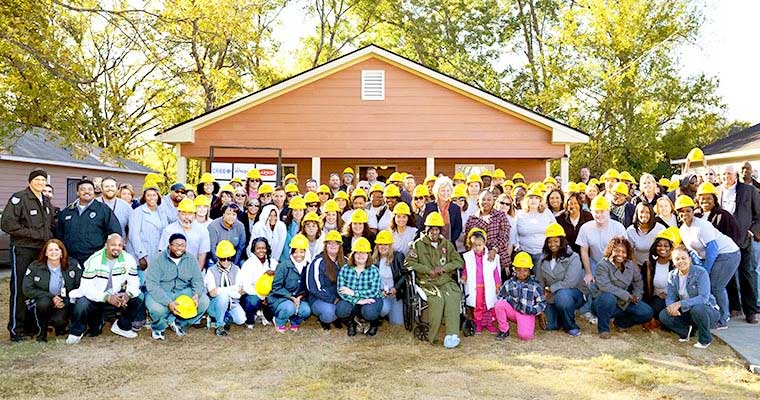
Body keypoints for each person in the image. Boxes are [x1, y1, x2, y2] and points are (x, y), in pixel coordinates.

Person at [2, 168, 56, 341]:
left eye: (43, 180)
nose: (40, 183)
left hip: (41, 251)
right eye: (37, 179)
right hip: (23, 249)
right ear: (30, 181)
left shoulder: (46, 201)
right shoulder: (19, 198)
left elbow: (49, 226)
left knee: (38, 288)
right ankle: (16, 329)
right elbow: (7, 224)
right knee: (20, 289)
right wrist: (33, 234)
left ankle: (33, 326)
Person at [675, 195, 740, 329]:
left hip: (727, 254)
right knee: (706, 285)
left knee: (716, 286)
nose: (685, 214)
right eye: (682, 211)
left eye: (688, 210)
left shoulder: (702, 226)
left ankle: (722, 319)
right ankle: (712, 315)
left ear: (693, 211)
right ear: (678, 213)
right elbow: (693, 252)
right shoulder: (682, 230)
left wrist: (705, 270)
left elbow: (713, 249)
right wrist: (699, 268)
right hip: (711, 256)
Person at [67, 234, 143, 344]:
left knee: (139, 296)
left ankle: (122, 326)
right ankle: (76, 331)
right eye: (113, 245)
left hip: (115, 294)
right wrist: (106, 297)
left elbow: (134, 282)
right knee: (81, 302)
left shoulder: (128, 259)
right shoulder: (94, 260)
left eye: (119, 245)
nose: (116, 248)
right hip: (95, 296)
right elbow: (86, 287)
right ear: (106, 245)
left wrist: (127, 294)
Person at [405, 212, 464, 348]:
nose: (434, 232)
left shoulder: (447, 244)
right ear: (427, 230)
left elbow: (458, 262)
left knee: (452, 296)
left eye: (437, 229)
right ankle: (433, 335)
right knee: (437, 300)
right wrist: (427, 270)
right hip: (427, 281)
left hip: (445, 280)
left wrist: (444, 268)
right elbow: (409, 263)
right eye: (431, 229)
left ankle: (452, 335)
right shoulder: (418, 244)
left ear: (440, 230)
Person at [145, 233, 209, 340]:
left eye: (182, 245)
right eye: (176, 245)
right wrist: (168, 302)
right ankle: (159, 328)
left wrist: (196, 294)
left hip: (183, 291)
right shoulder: (158, 259)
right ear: (169, 245)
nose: (180, 248)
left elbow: (198, 280)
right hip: (162, 291)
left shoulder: (191, 259)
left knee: (204, 301)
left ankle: (178, 322)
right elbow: (152, 284)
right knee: (157, 309)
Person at [718, 165, 760, 324]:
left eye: (729, 173)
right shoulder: (717, 191)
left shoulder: (748, 191)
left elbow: (759, 215)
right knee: (727, 275)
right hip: (724, 241)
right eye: (723, 174)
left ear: (735, 175)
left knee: (747, 274)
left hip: (744, 240)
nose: (726, 176)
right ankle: (734, 307)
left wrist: (751, 232)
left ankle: (750, 312)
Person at [575, 195, 627, 323]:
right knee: (589, 282)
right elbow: (584, 251)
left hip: (614, 263)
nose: (599, 215)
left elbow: (624, 251)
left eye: (602, 211)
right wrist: (588, 272)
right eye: (596, 212)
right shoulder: (586, 228)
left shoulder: (618, 227)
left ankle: (608, 311)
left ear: (608, 211)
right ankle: (588, 310)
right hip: (594, 261)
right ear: (591, 212)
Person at [659, 246, 720, 349]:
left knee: (698, 308)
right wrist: (671, 307)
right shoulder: (672, 275)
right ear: (673, 261)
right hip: (688, 311)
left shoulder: (700, 272)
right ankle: (686, 332)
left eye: (684, 258)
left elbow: (703, 298)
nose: (681, 261)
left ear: (690, 259)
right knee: (664, 315)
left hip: (707, 310)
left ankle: (705, 340)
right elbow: (670, 297)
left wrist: (679, 304)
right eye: (677, 259)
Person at [592, 237, 653, 338]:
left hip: (623, 303)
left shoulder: (630, 265)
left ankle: (621, 323)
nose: (620, 254)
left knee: (647, 312)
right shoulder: (602, 265)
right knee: (608, 298)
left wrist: (637, 295)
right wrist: (627, 295)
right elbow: (605, 286)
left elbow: (638, 281)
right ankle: (604, 329)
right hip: (603, 302)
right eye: (617, 251)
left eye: (623, 252)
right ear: (611, 250)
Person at [22, 239, 82, 342]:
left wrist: (65, 300)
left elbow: (79, 286)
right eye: (50, 250)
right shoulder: (35, 266)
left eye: (56, 249)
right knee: (43, 303)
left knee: (59, 321)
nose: (53, 252)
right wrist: (51, 297)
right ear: (45, 253)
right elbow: (27, 289)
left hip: (63, 301)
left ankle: (60, 326)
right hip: (44, 300)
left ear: (62, 252)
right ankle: (42, 334)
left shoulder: (72, 264)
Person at [56, 179, 122, 266]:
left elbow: (114, 233)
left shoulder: (103, 210)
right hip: (71, 259)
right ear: (77, 192)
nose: (87, 192)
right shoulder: (67, 211)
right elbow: (59, 235)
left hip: (96, 259)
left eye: (90, 189)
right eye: (83, 189)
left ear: (94, 192)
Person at [536, 223, 586, 337]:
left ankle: (571, 326)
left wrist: (550, 288)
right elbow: (540, 281)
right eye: (549, 241)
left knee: (562, 297)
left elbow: (570, 282)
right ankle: (560, 316)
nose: (552, 244)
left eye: (556, 241)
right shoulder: (543, 258)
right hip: (550, 296)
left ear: (562, 241)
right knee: (549, 326)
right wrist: (540, 306)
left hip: (572, 293)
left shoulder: (573, 257)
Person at [494, 252, 546, 341]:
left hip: (526, 313)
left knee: (525, 336)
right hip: (513, 311)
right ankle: (504, 330)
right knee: (499, 304)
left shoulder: (534, 286)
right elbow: (500, 296)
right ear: (514, 270)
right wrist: (510, 301)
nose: (521, 273)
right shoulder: (509, 283)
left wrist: (534, 310)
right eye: (519, 270)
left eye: (525, 270)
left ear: (530, 271)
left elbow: (542, 303)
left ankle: (525, 324)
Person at [336, 237, 383, 336]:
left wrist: (354, 293)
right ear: (353, 254)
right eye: (357, 252)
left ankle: (373, 323)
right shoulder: (345, 269)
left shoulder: (373, 270)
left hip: (372, 299)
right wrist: (357, 301)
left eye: (364, 253)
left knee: (369, 312)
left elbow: (374, 291)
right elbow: (341, 290)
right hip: (353, 300)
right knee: (341, 309)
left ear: (368, 255)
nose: (360, 255)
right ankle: (351, 324)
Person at [267, 234, 311, 332]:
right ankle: (279, 321)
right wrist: (291, 297)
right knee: (289, 307)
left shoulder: (308, 267)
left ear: (306, 252)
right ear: (291, 252)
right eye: (295, 252)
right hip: (280, 299)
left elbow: (308, 287)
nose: (298, 255)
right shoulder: (283, 266)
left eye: (301, 252)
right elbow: (276, 287)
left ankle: (294, 321)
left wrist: (299, 298)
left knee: (306, 310)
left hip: (299, 298)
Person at [461, 228, 501, 334]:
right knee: (478, 306)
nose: (477, 247)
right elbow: (466, 269)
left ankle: (489, 323)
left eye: (479, 245)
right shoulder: (468, 257)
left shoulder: (490, 257)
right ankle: (477, 323)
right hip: (476, 286)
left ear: (484, 244)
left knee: (488, 305)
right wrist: (464, 277)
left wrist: (497, 284)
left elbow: (495, 271)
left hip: (488, 286)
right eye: (474, 245)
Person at [464, 190, 511, 276]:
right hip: (477, 259)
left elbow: (504, 236)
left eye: (489, 200)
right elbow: (467, 240)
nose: (486, 202)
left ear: (493, 201)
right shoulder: (472, 219)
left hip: (499, 256)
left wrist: (494, 249)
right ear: (478, 201)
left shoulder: (501, 216)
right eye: (483, 199)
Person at [127, 183, 169, 278]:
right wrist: (141, 256)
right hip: (142, 254)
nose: (151, 198)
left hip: (157, 254)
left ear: (158, 196)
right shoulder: (138, 212)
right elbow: (134, 236)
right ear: (144, 197)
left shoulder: (161, 212)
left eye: (154, 195)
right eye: (148, 195)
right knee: (142, 284)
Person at [205, 241, 246, 336]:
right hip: (215, 303)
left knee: (241, 320)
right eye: (223, 259)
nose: (226, 261)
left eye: (229, 258)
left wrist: (220, 290)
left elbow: (240, 291)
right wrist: (231, 289)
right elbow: (212, 293)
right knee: (223, 296)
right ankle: (219, 325)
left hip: (233, 303)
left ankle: (224, 316)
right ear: (218, 258)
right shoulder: (211, 271)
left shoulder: (237, 269)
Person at [306, 231, 346, 330]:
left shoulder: (345, 261)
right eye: (329, 243)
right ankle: (324, 319)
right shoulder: (318, 262)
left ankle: (340, 317)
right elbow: (314, 288)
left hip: (340, 298)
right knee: (330, 312)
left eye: (336, 243)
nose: (333, 245)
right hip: (320, 298)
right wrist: (333, 299)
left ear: (340, 245)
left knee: (345, 308)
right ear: (325, 245)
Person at [641, 227, 679, 326]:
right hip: (655, 300)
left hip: (673, 301)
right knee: (649, 309)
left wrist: (669, 296)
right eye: (659, 245)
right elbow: (644, 289)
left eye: (666, 246)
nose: (662, 248)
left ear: (671, 248)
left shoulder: (676, 265)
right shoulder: (649, 265)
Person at [159, 198, 211, 268]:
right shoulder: (169, 230)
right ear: (178, 214)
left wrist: (197, 274)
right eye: (183, 214)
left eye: (190, 214)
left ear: (194, 215)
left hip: (194, 269)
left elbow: (202, 254)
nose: (186, 217)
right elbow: (163, 253)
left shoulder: (202, 230)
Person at [239, 237, 277, 328]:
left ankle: (266, 315)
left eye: (263, 248)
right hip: (254, 294)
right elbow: (247, 286)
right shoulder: (248, 264)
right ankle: (250, 320)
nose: (261, 251)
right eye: (258, 248)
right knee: (252, 301)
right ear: (254, 250)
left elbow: (278, 281)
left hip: (269, 295)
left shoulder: (273, 262)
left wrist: (274, 273)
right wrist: (262, 296)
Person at [514, 187, 556, 267]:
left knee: (540, 278)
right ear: (527, 200)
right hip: (524, 252)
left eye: (536, 198)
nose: (533, 200)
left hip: (542, 252)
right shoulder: (520, 214)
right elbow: (513, 233)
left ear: (540, 201)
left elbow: (555, 229)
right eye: (531, 198)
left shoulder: (546, 212)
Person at [372, 231, 406, 326]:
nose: (383, 247)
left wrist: (396, 288)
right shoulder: (373, 260)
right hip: (381, 293)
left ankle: (389, 313)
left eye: (386, 244)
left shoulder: (398, 256)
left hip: (395, 293)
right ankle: (382, 314)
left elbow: (405, 275)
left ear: (390, 245)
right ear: (377, 246)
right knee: (384, 309)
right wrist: (380, 292)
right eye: (380, 244)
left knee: (397, 323)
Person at [281, 196, 306, 261]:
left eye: (300, 210)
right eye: (295, 210)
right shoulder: (285, 226)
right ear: (291, 212)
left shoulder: (307, 225)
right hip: (287, 259)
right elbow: (285, 247)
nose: (298, 213)